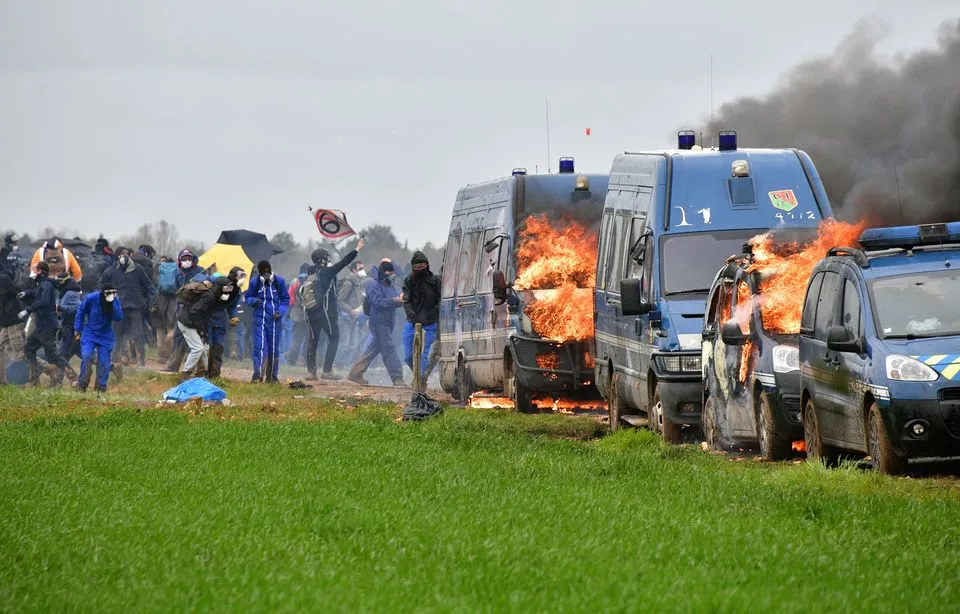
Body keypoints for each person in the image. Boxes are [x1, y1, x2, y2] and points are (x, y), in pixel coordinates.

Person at [303, 239, 365, 381]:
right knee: (334, 338)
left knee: (312, 342)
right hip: (326, 314)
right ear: (322, 260)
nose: (329, 260)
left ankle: (311, 372)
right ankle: (327, 371)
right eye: (326, 257)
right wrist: (357, 249)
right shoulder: (327, 272)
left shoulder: (310, 272)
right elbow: (344, 262)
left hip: (311, 313)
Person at [347, 258, 405, 387]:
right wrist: (394, 300)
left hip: (388, 322)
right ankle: (397, 377)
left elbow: (394, 301)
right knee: (388, 348)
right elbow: (377, 302)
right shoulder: (373, 285)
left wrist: (400, 300)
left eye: (393, 272)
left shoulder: (390, 285)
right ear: (383, 272)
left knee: (374, 347)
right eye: (389, 272)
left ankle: (355, 373)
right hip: (378, 321)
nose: (392, 274)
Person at [100, 246, 157, 368]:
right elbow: (102, 288)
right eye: (121, 253)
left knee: (138, 335)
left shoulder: (138, 269)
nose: (124, 255)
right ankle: (115, 363)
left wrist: (152, 302)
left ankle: (141, 364)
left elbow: (149, 286)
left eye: (126, 253)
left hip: (135, 308)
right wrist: (107, 303)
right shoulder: (110, 271)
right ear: (117, 256)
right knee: (118, 336)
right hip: (118, 309)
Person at [19, 262, 70, 386]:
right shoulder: (42, 284)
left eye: (35, 270)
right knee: (28, 349)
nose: (32, 272)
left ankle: (73, 377)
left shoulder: (46, 285)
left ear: (40, 271)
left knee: (52, 355)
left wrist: (28, 310)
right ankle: (34, 381)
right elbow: (36, 292)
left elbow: (44, 301)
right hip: (41, 326)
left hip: (47, 326)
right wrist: (26, 293)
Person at [177, 277, 234, 381]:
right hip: (187, 323)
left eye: (230, 288)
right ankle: (185, 374)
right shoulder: (209, 297)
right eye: (226, 288)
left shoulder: (214, 296)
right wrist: (201, 329)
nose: (228, 291)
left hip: (192, 323)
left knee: (205, 349)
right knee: (197, 348)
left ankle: (201, 375)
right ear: (219, 287)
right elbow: (194, 312)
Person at [74, 283, 124, 395]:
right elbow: (81, 311)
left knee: (104, 363)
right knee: (87, 356)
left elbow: (119, 317)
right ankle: (82, 385)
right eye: (108, 293)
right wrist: (77, 330)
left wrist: (114, 302)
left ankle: (100, 388)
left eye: (112, 293)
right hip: (90, 333)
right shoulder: (91, 298)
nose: (110, 295)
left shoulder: (115, 300)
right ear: (102, 293)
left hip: (106, 335)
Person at [245, 260, 288, 383]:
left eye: (268, 272)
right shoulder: (255, 283)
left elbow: (285, 299)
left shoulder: (279, 282)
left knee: (273, 349)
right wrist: (253, 301)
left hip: (274, 321)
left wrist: (280, 311)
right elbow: (248, 297)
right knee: (259, 347)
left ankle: (272, 377)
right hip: (259, 320)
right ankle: (257, 376)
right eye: (263, 273)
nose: (266, 275)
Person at [163, 249, 205, 372]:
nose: (187, 261)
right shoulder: (177, 273)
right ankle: (173, 366)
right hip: (182, 308)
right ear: (180, 260)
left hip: (197, 308)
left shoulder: (200, 271)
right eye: (184, 259)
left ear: (193, 260)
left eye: (189, 258)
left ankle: (199, 368)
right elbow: (176, 291)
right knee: (178, 337)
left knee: (198, 339)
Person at [402, 251, 441, 381]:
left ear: (427, 265)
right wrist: (412, 315)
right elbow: (406, 301)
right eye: (416, 266)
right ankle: (418, 376)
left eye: (422, 266)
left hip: (430, 324)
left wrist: (434, 313)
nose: (419, 268)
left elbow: (440, 300)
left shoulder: (435, 281)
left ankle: (420, 381)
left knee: (424, 355)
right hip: (412, 323)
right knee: (409, 356)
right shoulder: (408, 281)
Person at [206, 269, 243, 379]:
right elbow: (202, 278)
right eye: (240, 275)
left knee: (218, 347)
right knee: (207, 346)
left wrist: (233, 316)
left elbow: (232, 306)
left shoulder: (237, 291)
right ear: (233, 276)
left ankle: (215, 375)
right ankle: (203, 373)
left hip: (221, 319)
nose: (242, 278)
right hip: (208, 317)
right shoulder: (219, 281)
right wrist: (205, 281)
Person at [337, 260, 367, 367]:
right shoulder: (349, 282)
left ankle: (347, 366)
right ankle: (338, 365)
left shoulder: (360, 283)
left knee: (354, 345)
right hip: (347, 318)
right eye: (360, 268)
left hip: (357, 318)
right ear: (354, 270)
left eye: (363, 268)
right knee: (345, 344)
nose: (363, 270)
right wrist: (350, 310)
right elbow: (340, 300)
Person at [0, 264, 25, 385]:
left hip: (13, 321)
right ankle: (3, 382)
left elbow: (19, 292)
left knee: (20, 351)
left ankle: (47, 368)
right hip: (5, 322)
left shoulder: (4, 279)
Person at [285, 263, 311, 366]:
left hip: (297, 316)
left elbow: (290, 298)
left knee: (297, 340)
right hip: (308, 316)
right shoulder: (311, 281)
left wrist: (288, 312)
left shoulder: (295, 281)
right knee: (308, 340)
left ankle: (291, 361)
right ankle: (305, 360)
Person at [154, 255, 178, 360]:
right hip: (173, 301)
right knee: (171, 328)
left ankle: (162, 355)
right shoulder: (177, 271)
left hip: (159, 300)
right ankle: (172, 354)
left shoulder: (158, 270)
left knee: (159, 328)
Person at [57, 278, 83, 374]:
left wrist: (61, 308)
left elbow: (78, 308)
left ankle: (62, 379)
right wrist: (59, 313)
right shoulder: (66, 293)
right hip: (71, 330)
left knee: (62, 355)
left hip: (72, 330)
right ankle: (111, 366)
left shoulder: (70, 293)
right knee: (82, 353)